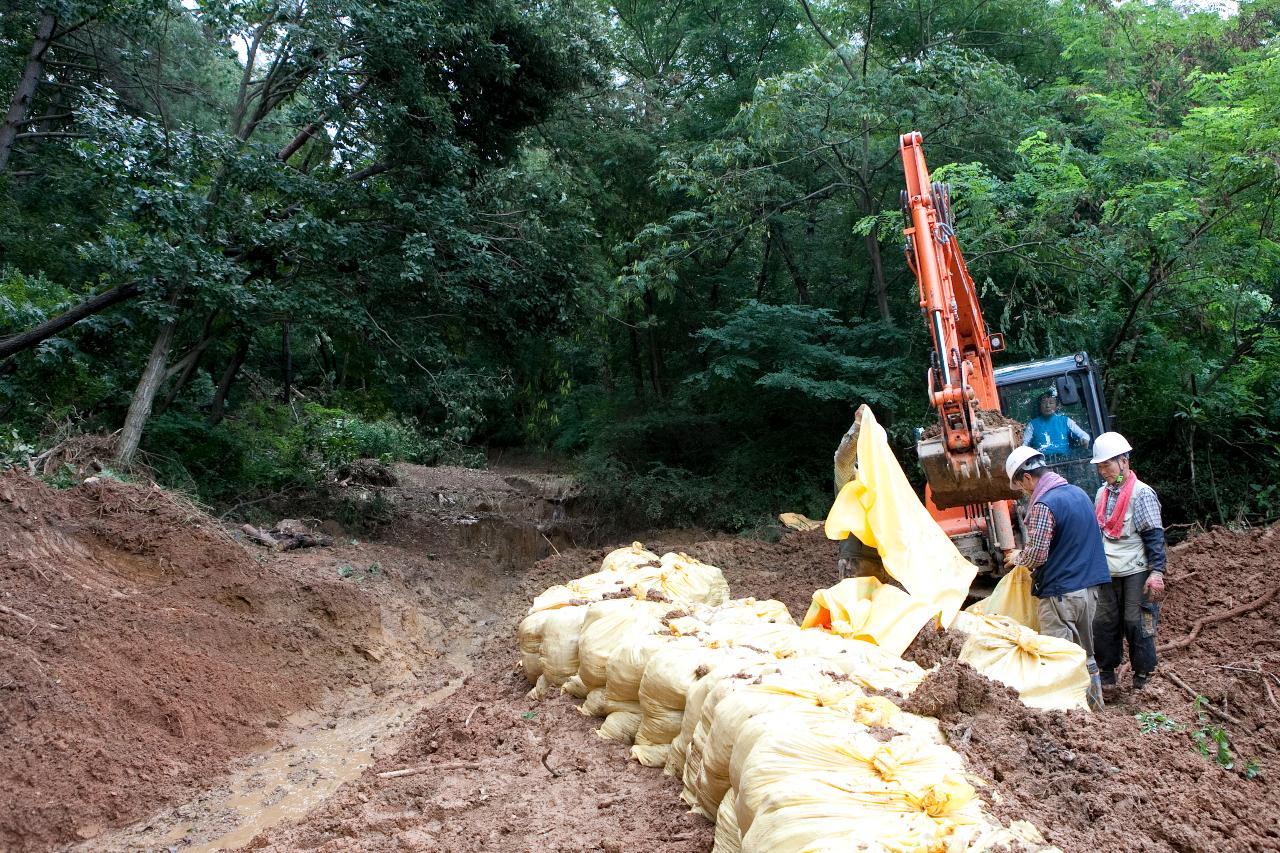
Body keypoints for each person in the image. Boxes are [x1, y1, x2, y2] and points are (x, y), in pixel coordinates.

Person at [1003, 445, 1111, 710]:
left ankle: (1070, 716)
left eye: (1022, 486)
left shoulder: (1044, 504)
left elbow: (1037, 555)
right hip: (1090, 589)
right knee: (1086, 653)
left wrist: (1016, 557)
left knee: (1058, 657)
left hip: (1061, 593)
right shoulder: (1079, 494)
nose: (1025, 492)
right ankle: (1096, 709)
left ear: (1027, 477)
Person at [1090, 432, 1167, 691]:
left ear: (1124, 461)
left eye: (1107, 465)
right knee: (1103, 622)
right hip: (1107, 571)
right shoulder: (1101, 494)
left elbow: (1154, 536)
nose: (1103, 471)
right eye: (1099, 466)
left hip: (1136, 569)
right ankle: (1107, 673)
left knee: (1137, 621)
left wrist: (1156, 572)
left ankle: (1143, 676)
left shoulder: (1142, 494)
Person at [1022, 391, 1091, 458]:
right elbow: (1024, 444)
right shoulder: (1032, 425)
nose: (1047, 406)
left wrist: (1085, 439)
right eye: (1044, 403)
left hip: (1066, 461)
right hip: (1041, 463)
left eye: (1051, 403)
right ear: (1040, 406)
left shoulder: (1065, 421)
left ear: (1056, 406)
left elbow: (1083, 435)